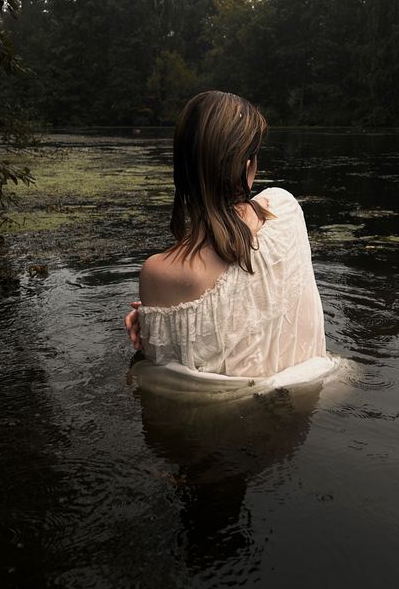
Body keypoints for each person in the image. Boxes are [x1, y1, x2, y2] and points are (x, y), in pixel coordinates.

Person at [125, 90, 330, 383]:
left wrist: (154, 321)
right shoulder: (284, 208)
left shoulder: (159, 273)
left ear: (181, 167)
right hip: (308, 399)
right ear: (247, 165)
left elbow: (163, 367)